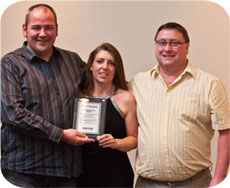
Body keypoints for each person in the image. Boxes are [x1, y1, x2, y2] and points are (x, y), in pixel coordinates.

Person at [1, 4, 95, 188]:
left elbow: (98, 87)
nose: (43, 33)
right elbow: (12, 114)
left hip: (67, 171)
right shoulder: (9, 64)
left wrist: (124, 94)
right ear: (24, 30)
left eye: (48, 27)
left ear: (56, 30)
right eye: (36, 27)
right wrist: (61, 135)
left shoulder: (73, 60)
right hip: (25, 171)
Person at [129, 22, 230, 188]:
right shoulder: (138, 83)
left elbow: (226, 131)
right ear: (156, 45)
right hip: (147, 184)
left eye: (174, 43)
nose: (167, 48)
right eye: (162, 42)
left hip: (196, 183)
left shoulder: (210, 84)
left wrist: (220, 178)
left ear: (187, 47)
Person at [78, 43, 138, 187]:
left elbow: (134, 139)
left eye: (111, 63)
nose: (105, 67)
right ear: (91, 66)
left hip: (116, 176)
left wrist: (116, 143)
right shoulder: (79, 96)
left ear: (116, 69)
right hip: (81, 176)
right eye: (100, 61)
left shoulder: (126, 98)